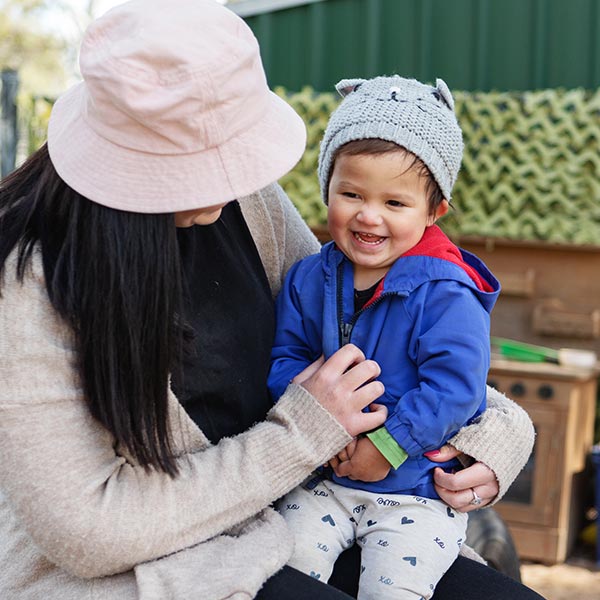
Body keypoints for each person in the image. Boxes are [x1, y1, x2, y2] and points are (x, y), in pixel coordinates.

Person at [0, 1, 541, 599]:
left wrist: (495, 437)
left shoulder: (246, 201)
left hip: (309, 507)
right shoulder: (30, 283)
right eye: (203, 168)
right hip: (155, 566)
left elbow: (390, 345)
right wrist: (300, 435)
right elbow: (86, 533)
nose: (232, 184)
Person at [268, 75, 500, 599]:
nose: (368, 215)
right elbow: (287, 357)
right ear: (327, 187)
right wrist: (322, 422)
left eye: (395, 204)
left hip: (414, 492)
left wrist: (388, 445)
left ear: (433, 211)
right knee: (285, 564)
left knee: (393, 590)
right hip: (323, 479)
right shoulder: (310, 279)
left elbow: (456, 389)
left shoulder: (444, 292)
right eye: (350, 193)